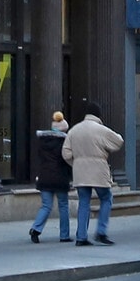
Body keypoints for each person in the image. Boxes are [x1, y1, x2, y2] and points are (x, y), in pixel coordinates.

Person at [63, 102, 123, 246]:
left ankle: (81, 237)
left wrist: (77, 163)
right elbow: (119, 141)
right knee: (106, 198)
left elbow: (65, 153)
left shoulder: (74, 130)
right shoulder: (101, 129)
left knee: (84, 202)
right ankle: (101, 232)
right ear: (98, 115)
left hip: (80, 171)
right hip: (98, 169)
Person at [28, 113, 71, 244]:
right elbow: (67, 159)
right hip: (60, 177)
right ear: (64, 129)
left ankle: (36, 229)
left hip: (44, 176)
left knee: (46, 205)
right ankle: (64, 235)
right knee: (63, 206)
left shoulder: (42, 141)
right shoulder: (64, 141)